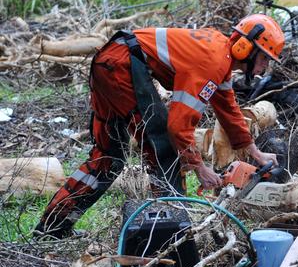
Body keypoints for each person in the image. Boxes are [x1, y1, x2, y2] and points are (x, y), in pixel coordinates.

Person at [34, 14, 285, 239]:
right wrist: (199, 168)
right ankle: (175, 233)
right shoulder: (213, 61)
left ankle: (52, 227)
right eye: (264, 58)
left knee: (108, 158)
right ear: (245, 47)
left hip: (110, 62)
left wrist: (255, 152)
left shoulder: (221, 58)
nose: (265, 67)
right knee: (163, 148)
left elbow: (228, 109)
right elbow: (178, 127)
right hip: (122, 65)